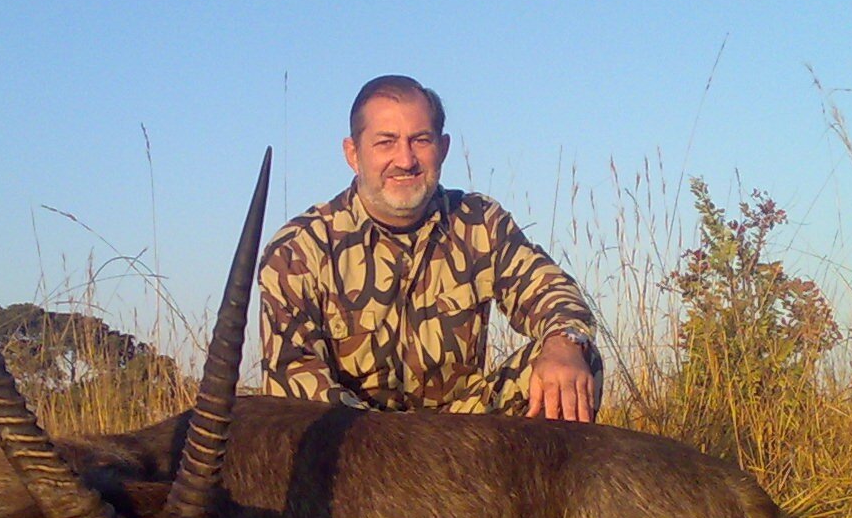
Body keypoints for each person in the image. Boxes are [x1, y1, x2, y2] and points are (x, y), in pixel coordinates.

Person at [258, 74, 604, 422]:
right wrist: (383, 448)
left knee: (576, 361)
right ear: (353, 153)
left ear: (443, 147)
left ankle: (534, 478)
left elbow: (551, 291)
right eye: (386, 142)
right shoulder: (298, 251)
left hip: (461, 436)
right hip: (356, 447)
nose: (405, 160)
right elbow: (294, 380)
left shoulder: (480, 222)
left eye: (420, 140)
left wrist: (564, 343)